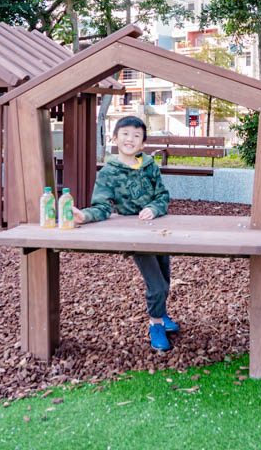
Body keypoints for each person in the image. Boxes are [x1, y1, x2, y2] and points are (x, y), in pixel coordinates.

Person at [72, 116, 175, 351]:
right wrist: (84, 216)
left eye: (137, 136)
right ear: (115, 138)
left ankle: (163, 315)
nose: (130, 139)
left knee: (164, 279)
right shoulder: (108, 172)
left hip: (159, 231)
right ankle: (156, 324)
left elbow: (163, 196)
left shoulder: (150, 166)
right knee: (156, 285)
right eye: (126, 134)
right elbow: (102, 206)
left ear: (143, 144)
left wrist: (153, 208)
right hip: (134, 235)